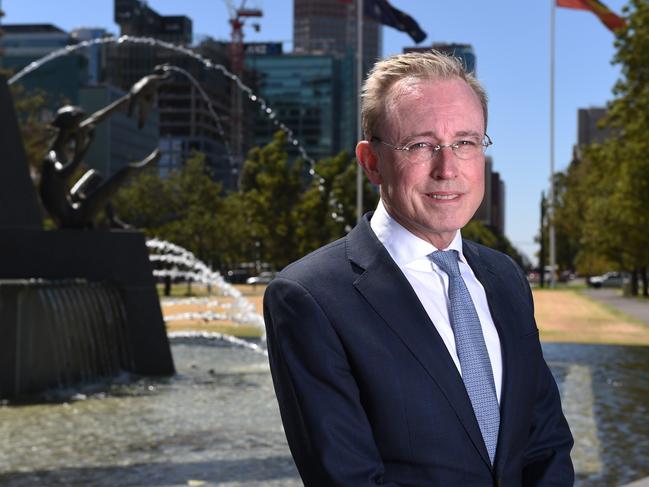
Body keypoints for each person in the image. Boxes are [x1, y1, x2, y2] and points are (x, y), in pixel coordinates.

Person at [263, 51, 574, 486]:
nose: (448, 169)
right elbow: (348, 478)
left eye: (465, 142)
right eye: (421, 145)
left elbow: (545, 443)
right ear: (371, 162)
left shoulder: (504, 278)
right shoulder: (310, 297)